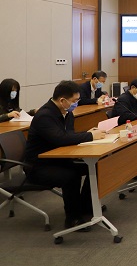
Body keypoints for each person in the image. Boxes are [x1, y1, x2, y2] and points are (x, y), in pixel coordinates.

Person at [24, 80, 106, 229]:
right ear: (62, 100)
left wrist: (88, 134)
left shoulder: (67, 113)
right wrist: (89, 136)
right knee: (71, 176)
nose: (76, 104)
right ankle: (72, 219)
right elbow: (60, 139)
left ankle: (86, 206)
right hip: (39, 165)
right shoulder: (45, 116)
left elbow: (69, 136)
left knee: (95, 166)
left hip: (60, 158)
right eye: (74, 101)